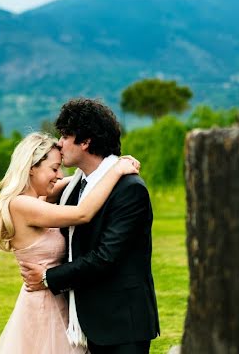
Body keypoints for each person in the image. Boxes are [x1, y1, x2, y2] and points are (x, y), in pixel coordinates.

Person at [20, 98, 160, 354]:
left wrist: (48, 278)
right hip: (84, 323)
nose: (59, 143)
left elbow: (106, 257)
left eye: (65, 135)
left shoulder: (129, 189)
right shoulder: (74, 189)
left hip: (122, 324)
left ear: (85, 142)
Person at [0, 132, 140, 354]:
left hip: (57, 299)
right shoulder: (22, 205)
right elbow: (81, 214)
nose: (58, 175)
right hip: (44, 308)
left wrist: (107, 166)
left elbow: (83, 181)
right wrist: (116, 170)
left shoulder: (38, 199)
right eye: (54, 168)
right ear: (31, 167)